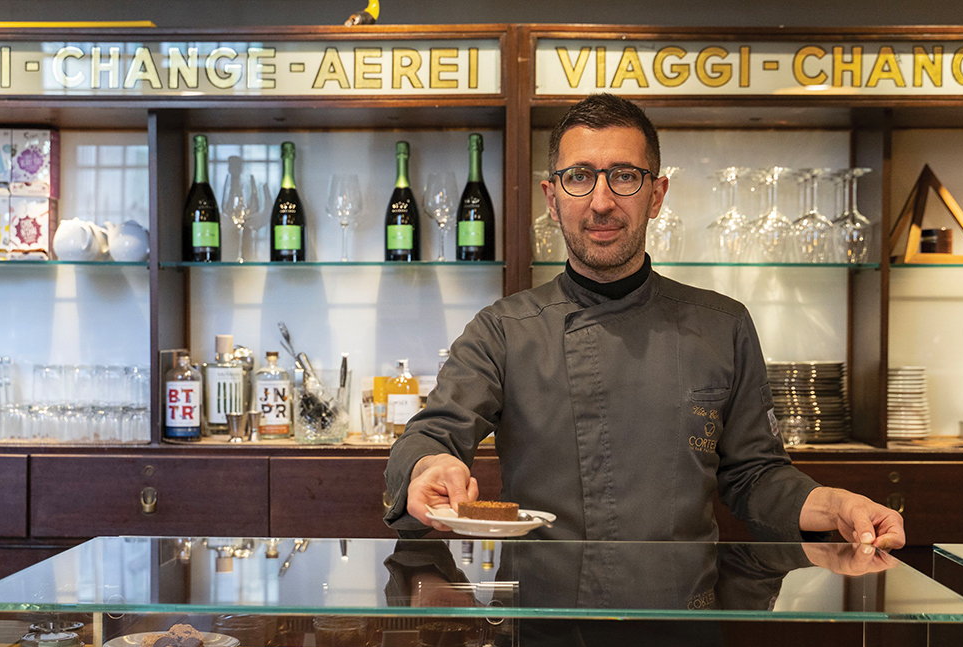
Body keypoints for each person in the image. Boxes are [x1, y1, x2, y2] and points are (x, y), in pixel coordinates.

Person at [382, 93, 904, 612]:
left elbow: (755, 475)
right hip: (541, 634)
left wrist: (837, 504)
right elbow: (432, 432)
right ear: (551, 196)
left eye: (624, 176)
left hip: (684, 641)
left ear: (656, 195)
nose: (602, 202)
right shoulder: (503, 330)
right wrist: (430, 466)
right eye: (579, 177)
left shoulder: (723, 325)